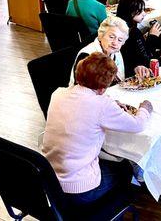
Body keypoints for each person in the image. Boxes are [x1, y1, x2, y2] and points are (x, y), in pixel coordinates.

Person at [43, 52, 152, 205]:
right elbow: (138, 124)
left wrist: (110, 103)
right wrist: (145, 108)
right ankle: (116, 206)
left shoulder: (58, 93)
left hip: (50, 180)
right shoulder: (101, 105)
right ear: (103, 88)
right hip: (80, 190)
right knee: (125, 167)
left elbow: (85, 103)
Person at [69, 17, 151, 86]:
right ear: (101, 35)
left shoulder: (115, 52)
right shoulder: (87, 56)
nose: (115, 43)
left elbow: (120, 75)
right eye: (111, 37)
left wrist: (136, 69)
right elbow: (83, 90)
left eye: (120, 40)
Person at [116, 0, 161, 72]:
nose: (144, 14)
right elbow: (147, 59)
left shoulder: (118, 26)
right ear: (130, 12)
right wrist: (153, 37)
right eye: (140, 11)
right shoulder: (132, 32)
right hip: (136, 71)